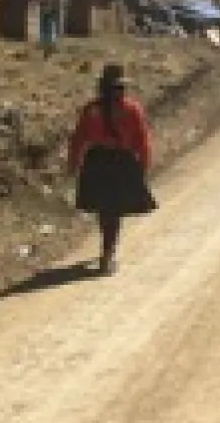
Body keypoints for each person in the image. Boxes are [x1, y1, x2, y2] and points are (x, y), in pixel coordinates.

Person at [67, 64, 156, 275]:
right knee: (112, 212)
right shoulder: (131, 109)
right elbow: (142, 141)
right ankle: (107, 255)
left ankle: (107, 251)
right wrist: (143, 165)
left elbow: (79, 139)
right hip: (119, 163)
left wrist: (74, 163)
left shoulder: (92, 109)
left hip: (97, 162)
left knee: (105, 211)